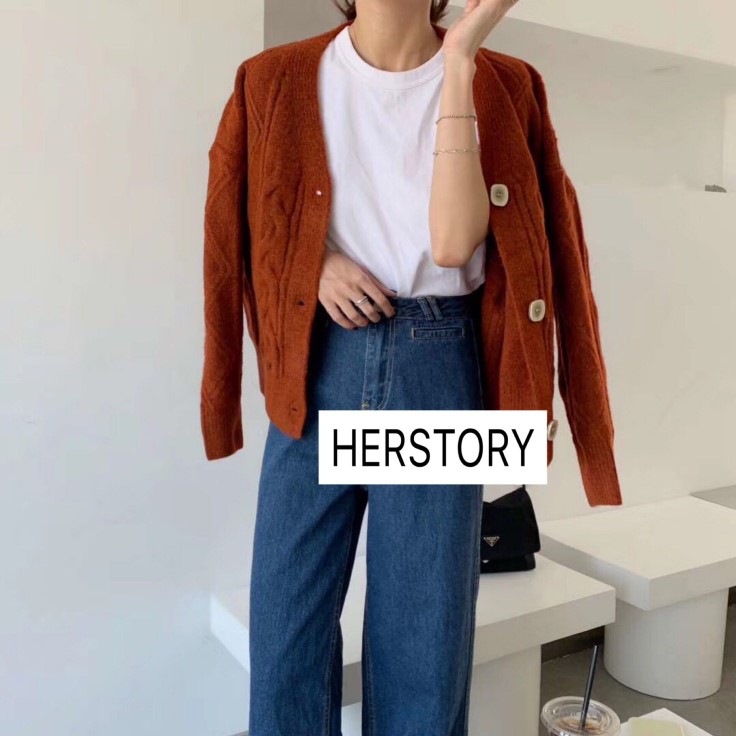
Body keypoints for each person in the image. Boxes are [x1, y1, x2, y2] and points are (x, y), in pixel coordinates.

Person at [201, 0, 621, 733]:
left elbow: (462, 246)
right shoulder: (271, 78)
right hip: (317, 370)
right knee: (285, 636)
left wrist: (459, 60)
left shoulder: (506, 82)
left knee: (424, 642)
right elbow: (237, 223)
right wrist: (313, 263)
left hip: (439, 368)